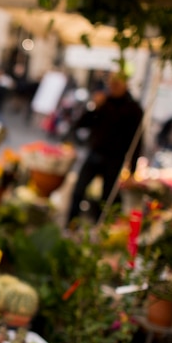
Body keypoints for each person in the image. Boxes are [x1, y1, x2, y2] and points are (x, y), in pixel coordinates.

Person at [66, 71, 143, 227]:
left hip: (115, 158)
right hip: (95, 152)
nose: (113, 87)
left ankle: (100, 228)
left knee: (107, 197)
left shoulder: (133, 109)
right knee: (79, 189)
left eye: (117, 83)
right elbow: (81, 124)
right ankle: (71, 224)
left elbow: (137, 141)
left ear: (125, 84)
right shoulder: (103, 102)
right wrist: (94, 107)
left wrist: (132, 170)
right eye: (111, 83)